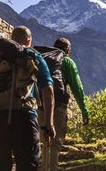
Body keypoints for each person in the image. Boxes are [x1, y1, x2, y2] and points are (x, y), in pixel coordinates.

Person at [0, 26, 56, 171]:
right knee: (28, 166)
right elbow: (48, 89)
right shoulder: (30, 55)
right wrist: (49, 124)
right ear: (29, 40)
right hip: (24, 119)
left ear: (11, 38)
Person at [38, 37, 89, 171]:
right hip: (58, 106)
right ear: (68, 50)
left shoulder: (43, 60)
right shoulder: (67, 61)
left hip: (41, 107)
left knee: (44, 143)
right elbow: (77, 88)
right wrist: (84, 110)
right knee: (54, 144)